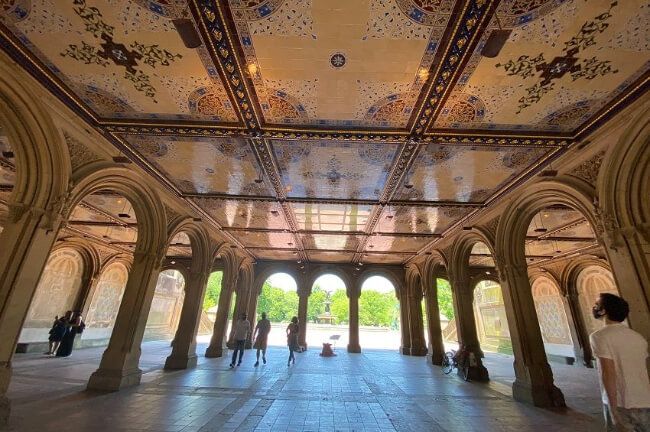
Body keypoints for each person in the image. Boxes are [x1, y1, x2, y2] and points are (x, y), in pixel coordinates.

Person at [589, 293, 650, 431]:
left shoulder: (599, 336)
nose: (594, 307)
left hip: (622, 402)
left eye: (597, 304)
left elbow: (608, 373)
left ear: (603, 310)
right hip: (645, 399)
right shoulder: (638, 337)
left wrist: (613, 411)